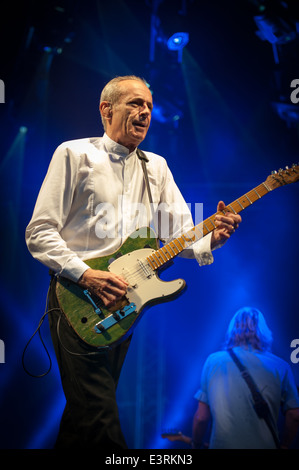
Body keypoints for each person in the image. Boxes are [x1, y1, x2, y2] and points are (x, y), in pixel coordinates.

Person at [25, 75, 242, 449]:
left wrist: (214, 239)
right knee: (100, 413)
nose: (145, 112)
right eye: (135, 104)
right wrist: (88, 274)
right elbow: (40, 231)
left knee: (84, 416)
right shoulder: (74, 154)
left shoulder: (155, 166)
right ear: (106, 109)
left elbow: (180, 235)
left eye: (149, 107)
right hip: (77, 298)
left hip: (125, 304)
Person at [191, 307, 299, 449]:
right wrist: (285, 445)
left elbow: (201, 418)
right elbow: (295, 415)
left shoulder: (213, 361)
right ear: (263, 331)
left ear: (233, 330)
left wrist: (196, 444)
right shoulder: (281, 366)